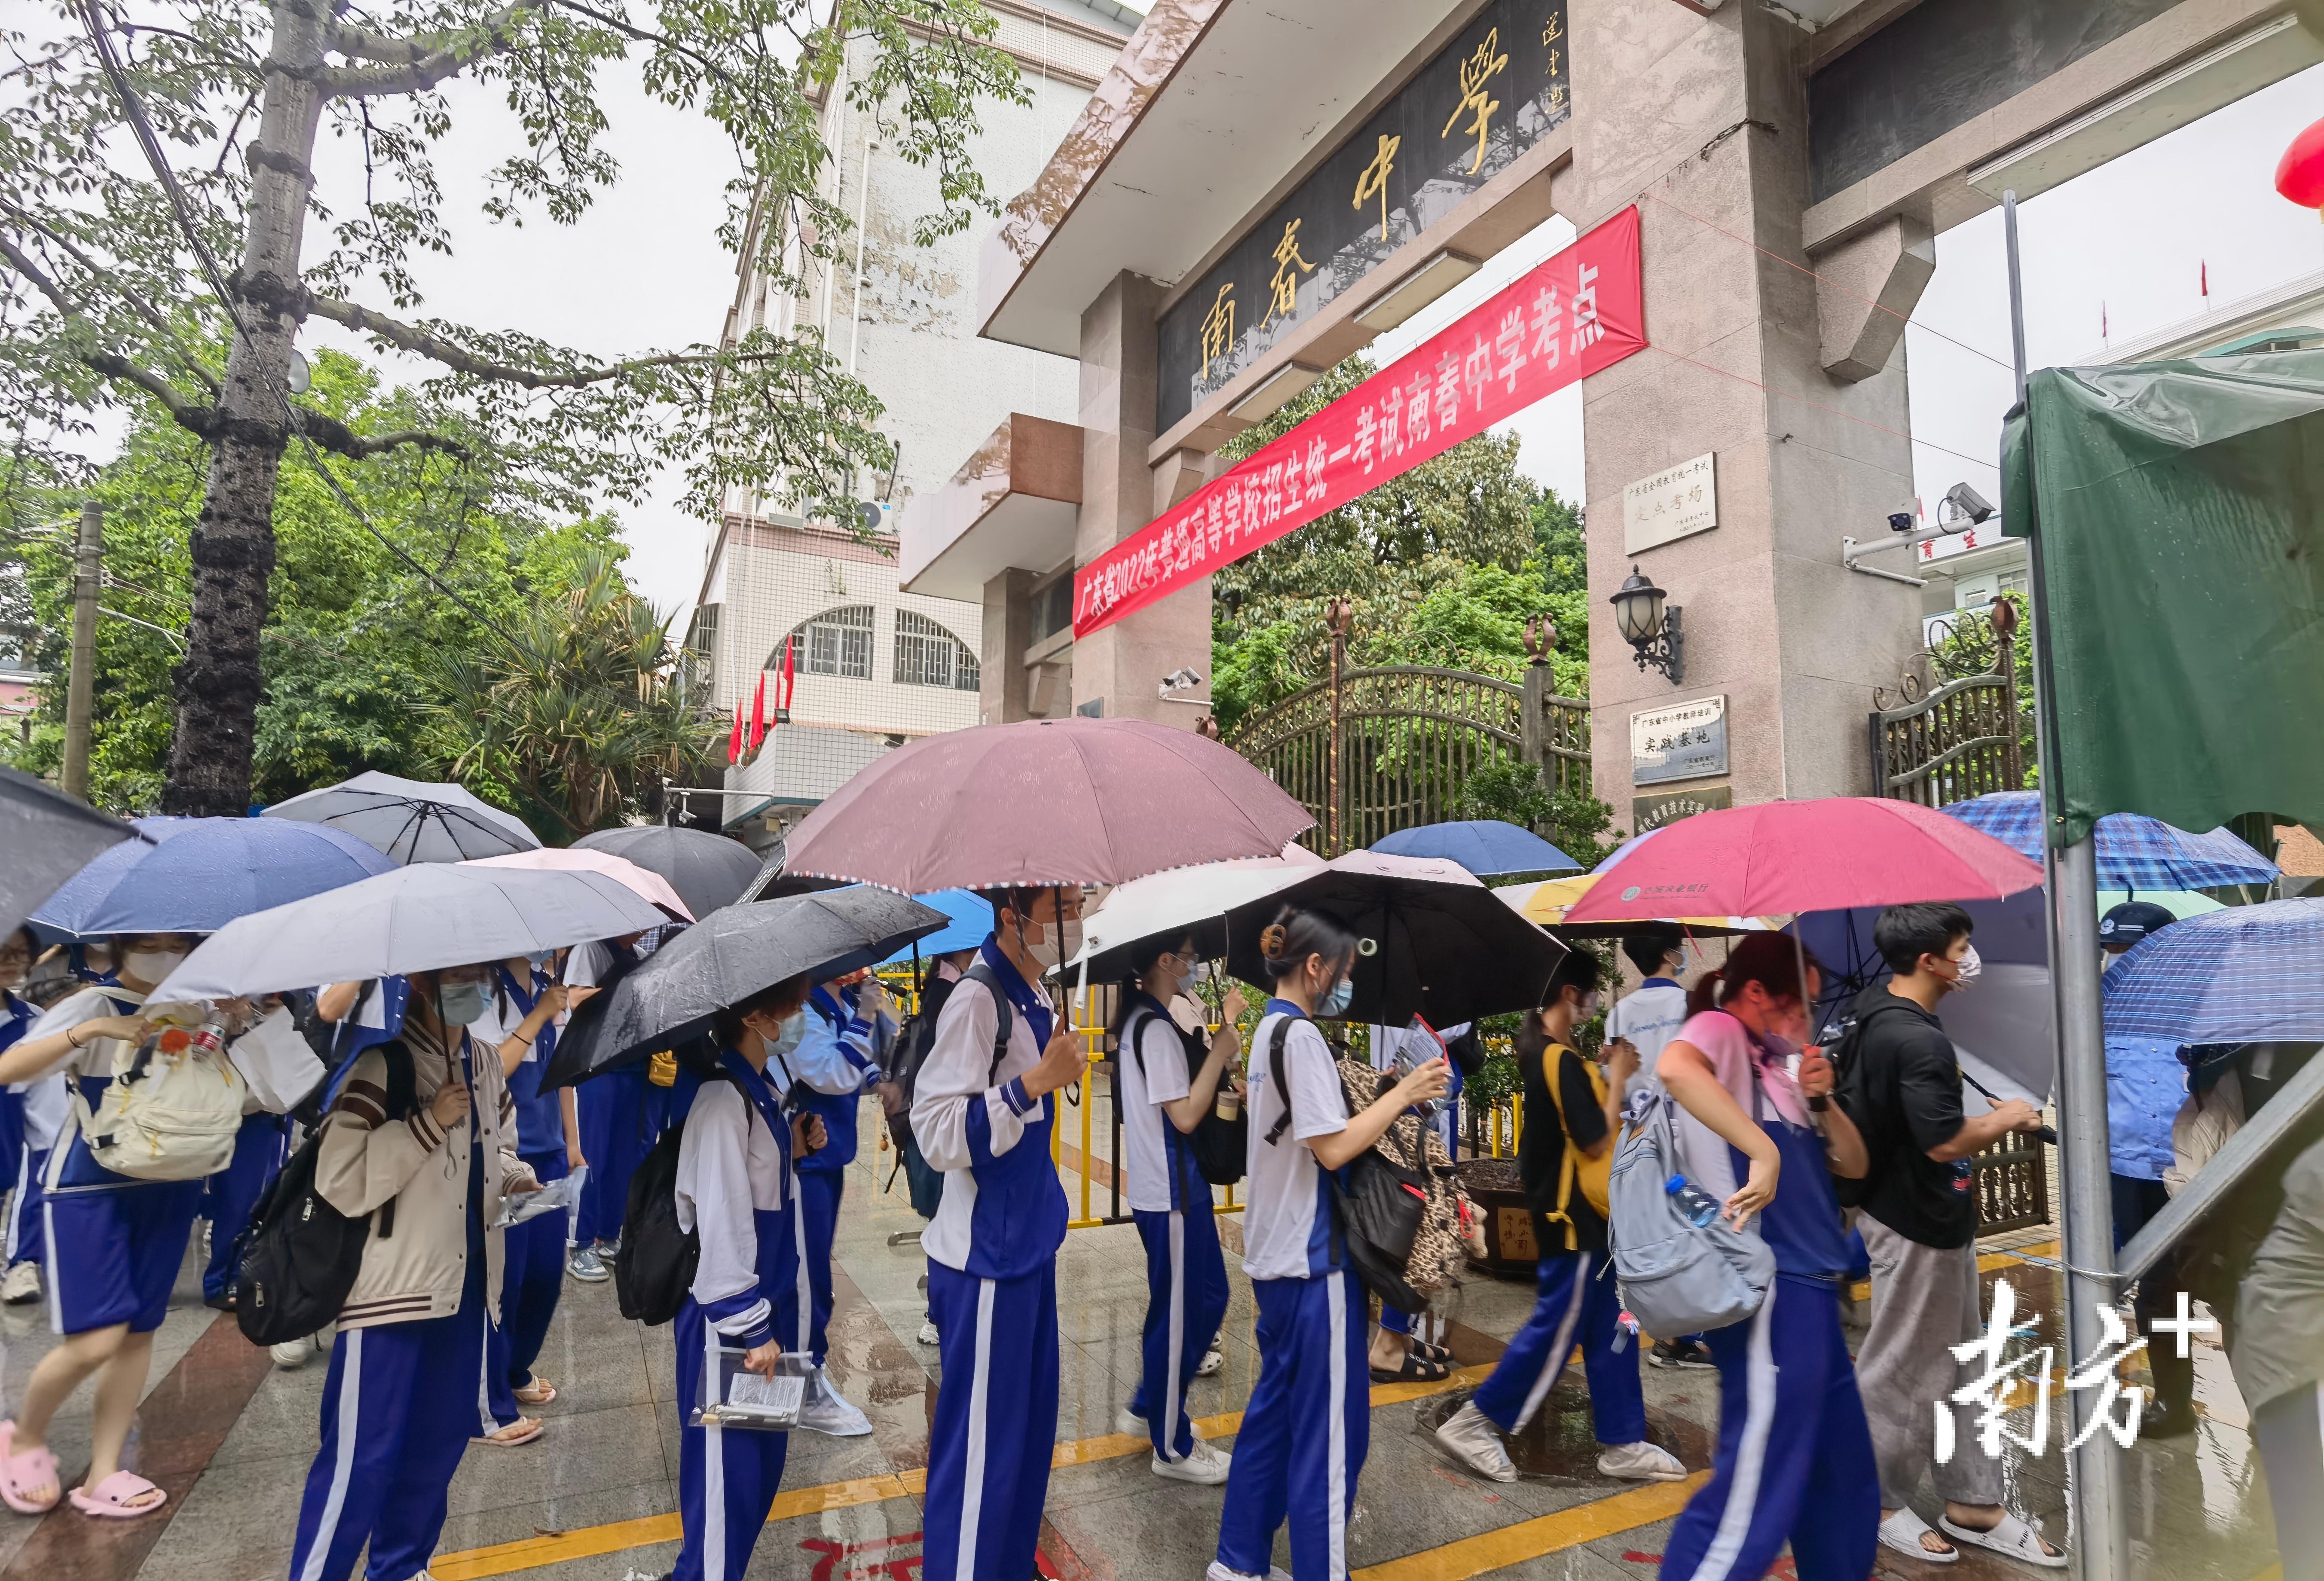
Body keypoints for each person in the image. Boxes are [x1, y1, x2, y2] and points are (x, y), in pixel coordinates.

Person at [1210, 907, 1448, 1581]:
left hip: (1276, 1259)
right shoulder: (1302, 1038)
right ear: (1315, 967)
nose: (1345, 982)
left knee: (1276, 1420)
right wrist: (1403, 1092)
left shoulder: (1266, 1034)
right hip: (1315, 1266)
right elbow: (1335, 1148)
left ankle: (1238, 1562)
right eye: (1341, 971)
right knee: (1331, 1442)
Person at [283, 961, 542, 1579]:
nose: (477, 988)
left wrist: (514, 1177)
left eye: (483, 976)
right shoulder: (384, 1065)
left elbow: (497, 1144)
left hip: (466, 1288)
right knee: (361, 1460)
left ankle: (401, 1567)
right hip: (391, 1297)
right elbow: (340, 1181)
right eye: (462, 976)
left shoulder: (482, 1061)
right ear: (423, 984)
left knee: (436, 1447)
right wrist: (427, 1126)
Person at [1836, 903, 2063, 1567]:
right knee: (1903, 1366)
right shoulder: (1916, 1038)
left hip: (1922, 1214)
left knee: (1962, 1362)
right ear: (1930, 960)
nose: (1970, 959)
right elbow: (1940, 1142)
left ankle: (1972, 1500)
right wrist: (2008, 1119)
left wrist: (1978, 1119)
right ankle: (1877, 1497)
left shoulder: (1875, 1013)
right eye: (1962, 948)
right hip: (1915, 1219)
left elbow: (1911, 1119)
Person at [1654, 934, 1878, 1581]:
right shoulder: (1720, 1030)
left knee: (1842, 1477)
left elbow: (1856, 1165)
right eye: (1800, 1005)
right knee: (1753, 1495)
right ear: (1757, 994)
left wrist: (1820, 1099)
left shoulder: (1775, 1070)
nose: (1808, 1022)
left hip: (1814, 1290)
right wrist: (1766, 1149)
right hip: (1769, 1286)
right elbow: (1674, 1067)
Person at [1434, 950, 1686, 1485]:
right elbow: (1595, 1139)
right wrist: (1616, 1076)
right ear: (1571, 994)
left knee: (1612, 1327)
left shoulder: (1551, 1055)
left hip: (1581, 1221)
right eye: (1590, 993)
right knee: (1555, 1327)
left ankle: (1623, 1439)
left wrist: (1599, 1071)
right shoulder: (1556, 1059)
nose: (1594, 1003)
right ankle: (1476, 1422)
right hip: (1572, 1221)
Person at [909, 886, 1089, 1581]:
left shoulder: (1035, 995)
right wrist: (1029, 1086)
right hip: (984, 1260)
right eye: (1063, 905)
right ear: (1013, 915)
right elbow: (933, 1132)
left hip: (1027, 1249)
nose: (1074, 920)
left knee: (1023, 1437)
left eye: (1077, 904)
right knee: (980, 1453)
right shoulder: (978, 1000)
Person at [0, 932, 211, 1517]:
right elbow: (8, 1069)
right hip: (89, 1186)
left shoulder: (203, 1008)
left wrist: (239, 1024)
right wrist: (91, 1032)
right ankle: (21, 1437)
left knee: (139, 1331)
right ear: (122, 946)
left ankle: (103, 1472)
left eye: (177, 944)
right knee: (97, 1339)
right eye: (150, 942)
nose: (163, 953)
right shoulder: (91, 1003)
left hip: (173, 1183)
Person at [667, 973, 827, 1581]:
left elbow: (754, 1188)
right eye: (792, 1000)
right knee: (724, 1493)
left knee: (756, 1478)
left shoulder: (757, 1087)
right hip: (733, 1327)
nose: (803, 1008)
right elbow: (722, 1217)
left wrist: (796, 1150)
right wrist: (750, 1325)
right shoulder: (719, 1100)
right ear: (757, 1017)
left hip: (765, 1317)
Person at [1113, 933, 1244, 1483]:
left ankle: (1149, 1402)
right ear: (1165, 962)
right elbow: (1186, 1116)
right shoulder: (1153, 1028)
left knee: (1193, 1299)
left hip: (1170, 1187)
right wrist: (1219, 1050)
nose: (1194, 965)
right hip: (1168, 1192)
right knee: (1189, 1307)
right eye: (1189, 956)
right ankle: (1170, 1445)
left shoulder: (1144, 1019)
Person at [785, 968, 890, 1436]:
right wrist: (867, 1013)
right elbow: (833, 1072)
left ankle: (808, 1370)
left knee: (816, 1268)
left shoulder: (834, 1001)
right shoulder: (802, 1010)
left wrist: (882, 1080)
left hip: (829, 1157)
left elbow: (858, 1065)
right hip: (805, 1162)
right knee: (808, 1277)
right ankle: (804, 1383)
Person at [1605, 925, 1710, 1371]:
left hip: (1637, 1135)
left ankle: (1669, 1335)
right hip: (1688, 1131)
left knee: (1660, 1232)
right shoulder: (1690, 1006)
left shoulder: (1618, 1013)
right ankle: (1689, 1334)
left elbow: (1615, 1077)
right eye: (1680, 947)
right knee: (1699, 1229)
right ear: (1671, 953)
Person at [479, 957, 576, 1431]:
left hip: (550, 1154)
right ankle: (491, 1403)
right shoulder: (483, 985)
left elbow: (562, 1070)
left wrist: (573, 1144)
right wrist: (537, 1014)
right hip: (506, 1159)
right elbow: (488, 1069)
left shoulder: (544, 983)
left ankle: (514, 1369)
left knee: (543, 1274)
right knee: (506, 1281)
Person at [569, 933, 651, 1282]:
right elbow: (573, 999)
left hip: (634, 1065)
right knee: (594, 1155)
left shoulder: (641, 954)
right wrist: (621, 992)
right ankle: (580, 1243)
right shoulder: (590, 949)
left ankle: (608, 1234)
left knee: (624, 1159)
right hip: (597, 1067)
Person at [0, 928, 46, 1307]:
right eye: (2, 951)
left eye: (19, 953)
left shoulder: (34, 1021)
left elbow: (44, 1107)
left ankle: (22, 1263)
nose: (11, 961)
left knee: (34, 1176)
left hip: (10, 1134)